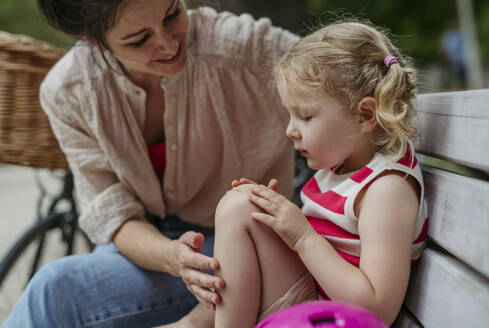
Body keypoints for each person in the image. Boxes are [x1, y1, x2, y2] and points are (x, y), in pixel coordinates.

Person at [3, 0, 297, 326]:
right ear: (94, 41)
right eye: (140, 39)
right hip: (150, 251)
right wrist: (173, 257)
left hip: (247, 246)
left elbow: (346, 74)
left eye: (173, 13)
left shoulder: (244, 50)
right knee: (53, 290)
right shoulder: (69, 91)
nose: (170, 44)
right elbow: (116, 218)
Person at [172, 21, 429, 327]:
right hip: (317, 300)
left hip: (332, 318)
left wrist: (302, 236)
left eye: (305, 116)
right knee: (244, 204)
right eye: (290, 114)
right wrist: (273, 215)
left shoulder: (385, 190)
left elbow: (376, 311)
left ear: (365, 115)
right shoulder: (343, 168)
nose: (290, 130)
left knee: (239, 207)